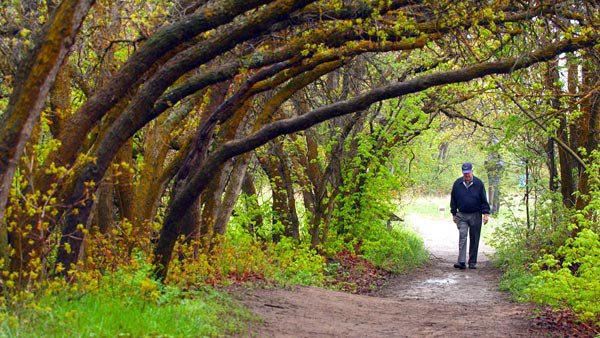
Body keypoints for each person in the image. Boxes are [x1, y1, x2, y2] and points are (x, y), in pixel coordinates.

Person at [450, 162, 490, 269]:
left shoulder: (479, 183)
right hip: (462, 214)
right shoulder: (457, 184)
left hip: (475, 214)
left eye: (468, 173)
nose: (466, 175)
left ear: (472, 171)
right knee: (462, 235)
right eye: (464, 173)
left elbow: (483, 200)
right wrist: (454, 213)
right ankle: (461, 261)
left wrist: (486, 214)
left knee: (474, 238)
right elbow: (453, 199)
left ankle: (472, 262)